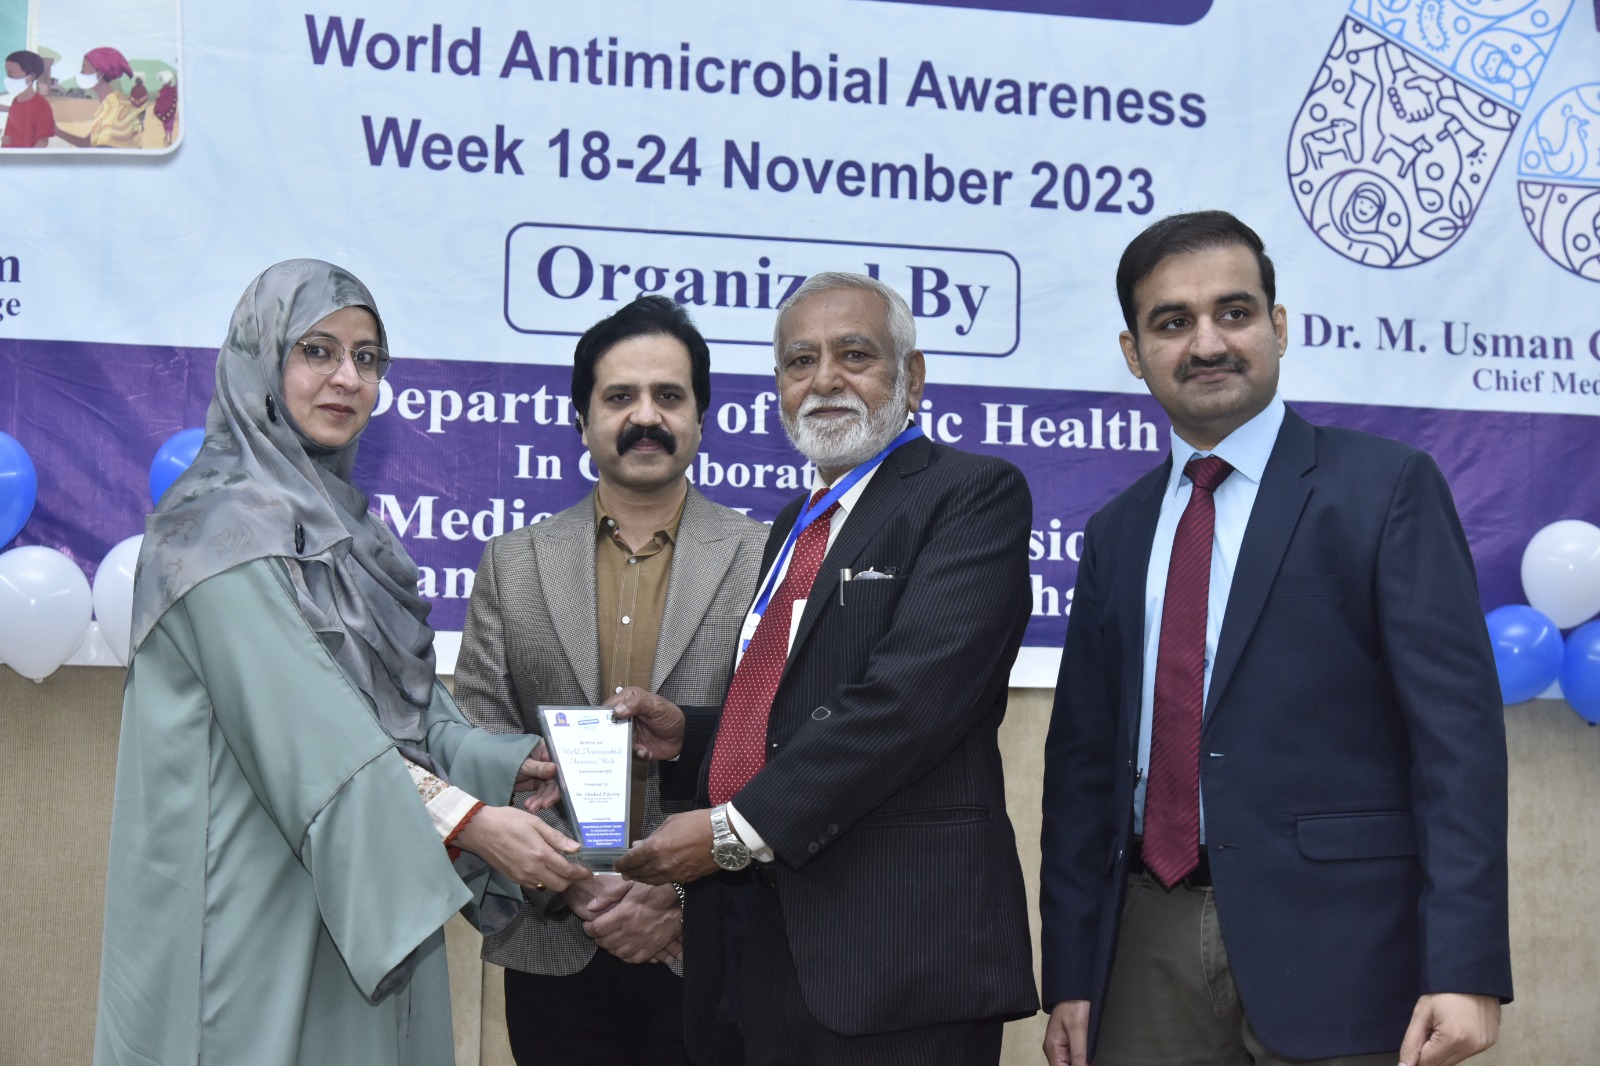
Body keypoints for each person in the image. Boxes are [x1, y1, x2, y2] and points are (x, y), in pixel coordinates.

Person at [1039, 211, 1511, 1066]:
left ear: (1279, 326)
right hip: (1144, 945)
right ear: (1133, 352)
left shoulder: (1385, 488)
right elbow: (1079, 770)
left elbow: (1458, 746)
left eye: (1234, 312)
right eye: (1172, 322)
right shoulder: (1116, 531)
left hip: (1347, 948)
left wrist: (1465, 964)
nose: (1207, 343)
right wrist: (1072, 973)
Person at [94, 259, 592, 1066]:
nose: (347, 379)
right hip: (246, 902)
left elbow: (406, 712)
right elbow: (309, 732)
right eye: (317, 351)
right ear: (260, 360)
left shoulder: (353, 536)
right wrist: (469, 822)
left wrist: (506, 767)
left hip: (365, 875)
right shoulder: (210, 534)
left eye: (367, 358)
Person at [616, 272, 1039, 1066]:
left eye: (854, 355)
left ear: (911, 377)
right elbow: (796, 705)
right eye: (799, 361)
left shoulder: (971, 495)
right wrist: (693, 736)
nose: (824, 380)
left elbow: (909, 704)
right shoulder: (795, 525)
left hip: (895, 959)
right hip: (756, 943)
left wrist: (731, 832)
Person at [455, 295, 767, 1066]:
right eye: (620, 396)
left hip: (711, 947)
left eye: (669, 396)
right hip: (555, 943)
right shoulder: (513, 563)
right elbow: (474, 742)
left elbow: (780, 751)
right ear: (582, 420)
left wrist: (681, 896)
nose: (645, 417)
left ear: (701, 418)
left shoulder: (767, 559)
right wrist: (572, 882)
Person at [56, 47, 138, 148]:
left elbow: (102, 150)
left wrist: (57, 132)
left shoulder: (117, 108)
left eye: (84, 68)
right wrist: (57, 131)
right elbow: (89, 143)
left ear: (99, 74)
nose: (80, 73)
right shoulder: (107, 105)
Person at [3, 50, 56, 148]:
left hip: (23, 158)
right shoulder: (16, 100)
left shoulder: (42, 106)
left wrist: (29, 157)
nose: (7, 79)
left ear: (31, 76)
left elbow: (42, 141)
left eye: (11, 74)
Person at [154, 68, 177, 146]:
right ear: (169, 81)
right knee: (170, 123)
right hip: (171, 111)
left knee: (165, 123)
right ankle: (170, 137)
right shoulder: (172, 90)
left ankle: (167, 136)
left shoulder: (161, 91)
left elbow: (158, 100)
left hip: (163, 112)